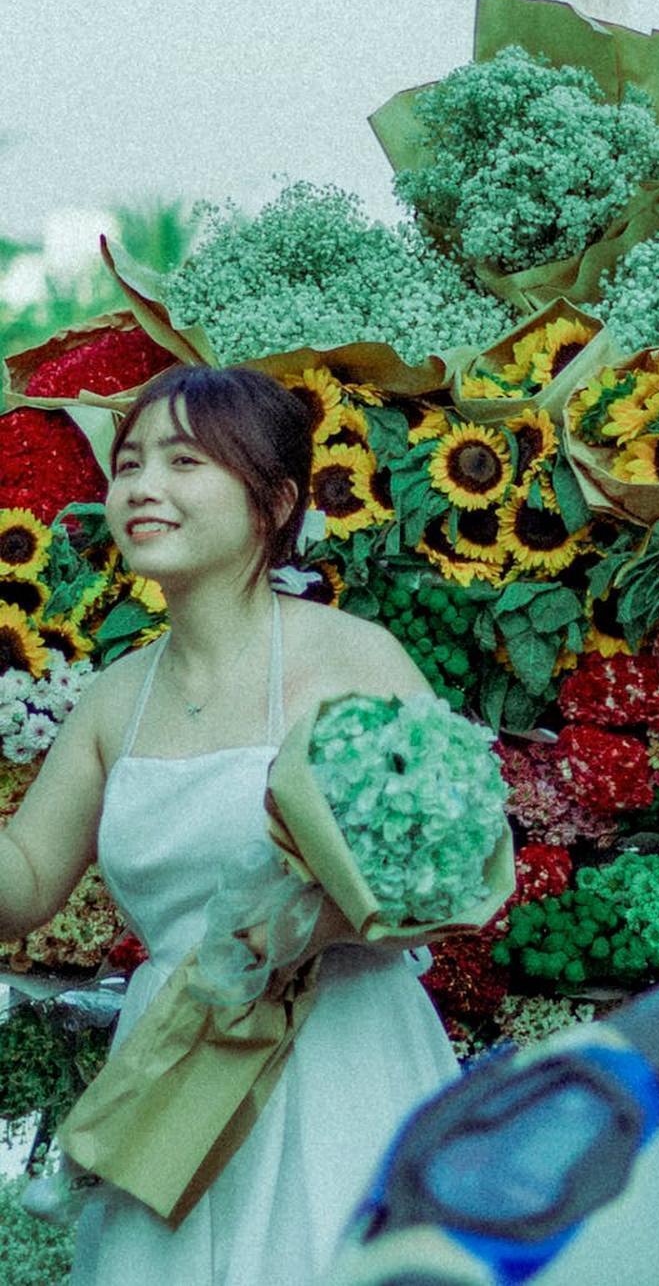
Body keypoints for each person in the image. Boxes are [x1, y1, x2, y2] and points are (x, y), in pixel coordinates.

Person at [0, 364, 459, 1284]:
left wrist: (309, 927)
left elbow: (458, 873)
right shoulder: (112, 700)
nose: (142, 487)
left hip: (347, 1057)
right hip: (173, 1080)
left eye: (183, 461)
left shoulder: (356, 658)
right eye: (129, 463)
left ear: (273, 501)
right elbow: (24, 883)